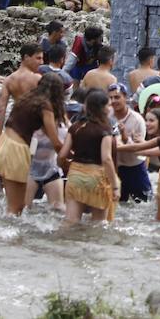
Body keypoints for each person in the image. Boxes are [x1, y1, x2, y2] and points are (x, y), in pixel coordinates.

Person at [0, 72, 65, 212]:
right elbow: (55, 142)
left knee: (14, 206)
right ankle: (11, 234)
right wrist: (71, 158)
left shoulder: (28, 98)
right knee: (16, 209)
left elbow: (43, 130)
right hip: (17, 150)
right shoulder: (46, 106)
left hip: (3, 145)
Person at [58, 89, 118, 225]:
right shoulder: (105, 130)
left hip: (75, 176)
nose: (111, 108)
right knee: (99, 224)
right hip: (97, 178)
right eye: (108, 105)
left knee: (71, 221)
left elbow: (62, 154)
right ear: (101, 108)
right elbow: (107, 159)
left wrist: (66, 166)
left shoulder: (75, 127)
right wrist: (115, 186)